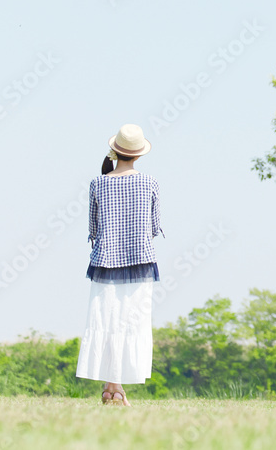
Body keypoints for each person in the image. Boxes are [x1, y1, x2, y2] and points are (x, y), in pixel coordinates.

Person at [75, 124, 164, 405]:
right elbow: (153, 227)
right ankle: (115, 387)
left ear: (116, 151)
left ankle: (112, 386)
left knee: (105, 321)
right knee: (130, 323)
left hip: (104, 263)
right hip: (140, 262)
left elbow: (93, 228)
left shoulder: (97, 183)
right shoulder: (149, 182)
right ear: (138, 155)